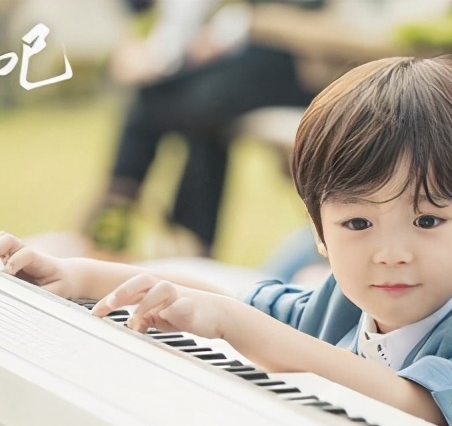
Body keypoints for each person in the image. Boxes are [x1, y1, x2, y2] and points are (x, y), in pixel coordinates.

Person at [0, 56, 452, 426]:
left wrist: (234, 324)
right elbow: (246, 301)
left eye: (427, 221)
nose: (391, 254)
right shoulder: (347, 295)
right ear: (317, 230)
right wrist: (78, 274)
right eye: (358, 225)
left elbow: (415, 404)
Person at [85, 0, 314, 254]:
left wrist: (227, 29)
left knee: (192, 107)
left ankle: (122, 206)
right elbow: (145, 16)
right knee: (165, 102)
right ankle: (181, 235)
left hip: (291, 56)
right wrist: (140, 46)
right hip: (212, 61)